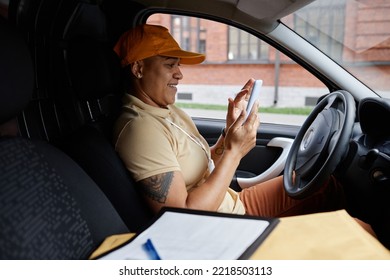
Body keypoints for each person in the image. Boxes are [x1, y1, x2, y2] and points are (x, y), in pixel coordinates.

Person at [112, 24, 375, 234]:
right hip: (224, 229)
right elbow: (182, 217)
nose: (180, 74)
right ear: (138, 68)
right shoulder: (140, 129)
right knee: (362, 232)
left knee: (327, 187)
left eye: (178, 65)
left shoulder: (167, 111)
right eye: (170, 65)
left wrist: (229, 133)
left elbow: (204, 162)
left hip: (233, 205)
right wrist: (235, 152)